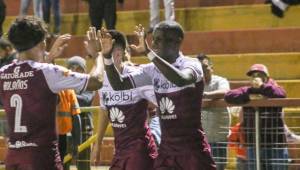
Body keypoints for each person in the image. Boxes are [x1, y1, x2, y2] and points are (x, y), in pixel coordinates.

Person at [101, 21, 216, 169]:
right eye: (154, 39)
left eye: (159, 39)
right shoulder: (151, 70)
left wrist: (149, 53)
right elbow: (118, 84)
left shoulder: (191, 64)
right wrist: (107, 57)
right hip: (166, 153)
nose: (154, 44)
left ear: (177, 41)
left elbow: (181, 79)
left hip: (192, 151)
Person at [0, 16, 104, 169]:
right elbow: (97, 81)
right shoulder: (48, 72)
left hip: (14, 157)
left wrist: (47, 58)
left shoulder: (3, 73)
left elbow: (29, 78)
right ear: (42, 43)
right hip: (41, 157)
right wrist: (98, 55)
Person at [91, 30, 158, 170]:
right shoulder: (102, 80)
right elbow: (104, 110)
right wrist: (98, 144)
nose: (101, 57)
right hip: (120, 151)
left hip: (139, 150)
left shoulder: (138, 74)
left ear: (118, 53)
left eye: (104, 52)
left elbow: (162, 103)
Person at [225, 64, 288, 170]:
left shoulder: (274, 87)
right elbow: (228, 96)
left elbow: (281, 94)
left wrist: (262, 87)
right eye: (253, 75)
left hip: (275, 143)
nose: (255, 78)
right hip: (253, 143)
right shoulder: (248, 90)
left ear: (266, 78)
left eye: (259, 75)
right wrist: (248, 96)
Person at [197, 54, 230, 170]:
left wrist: (206, 95)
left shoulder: (220, 81)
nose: (202, 70)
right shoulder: (195, 84)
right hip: (200, 138)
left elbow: (225, 92)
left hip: (218, 137)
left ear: (211, 67)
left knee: (219, 167)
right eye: (199, 68)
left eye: (204, 67)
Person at [66, 56, 96, 170]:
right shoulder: (63, 83)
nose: (75, 71)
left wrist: (67, 95)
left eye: (79, 68)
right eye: (71, 68)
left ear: (84, 70)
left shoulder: (89, 84)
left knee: (84, 163)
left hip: (85, 127)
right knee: (64, 161)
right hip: (66, 127)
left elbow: (84, 101)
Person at [56, 89, 82, 169]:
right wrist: (76, 143)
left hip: (47, 136)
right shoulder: (69, 90)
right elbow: (76, 118)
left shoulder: (46, 86)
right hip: (63, 137)